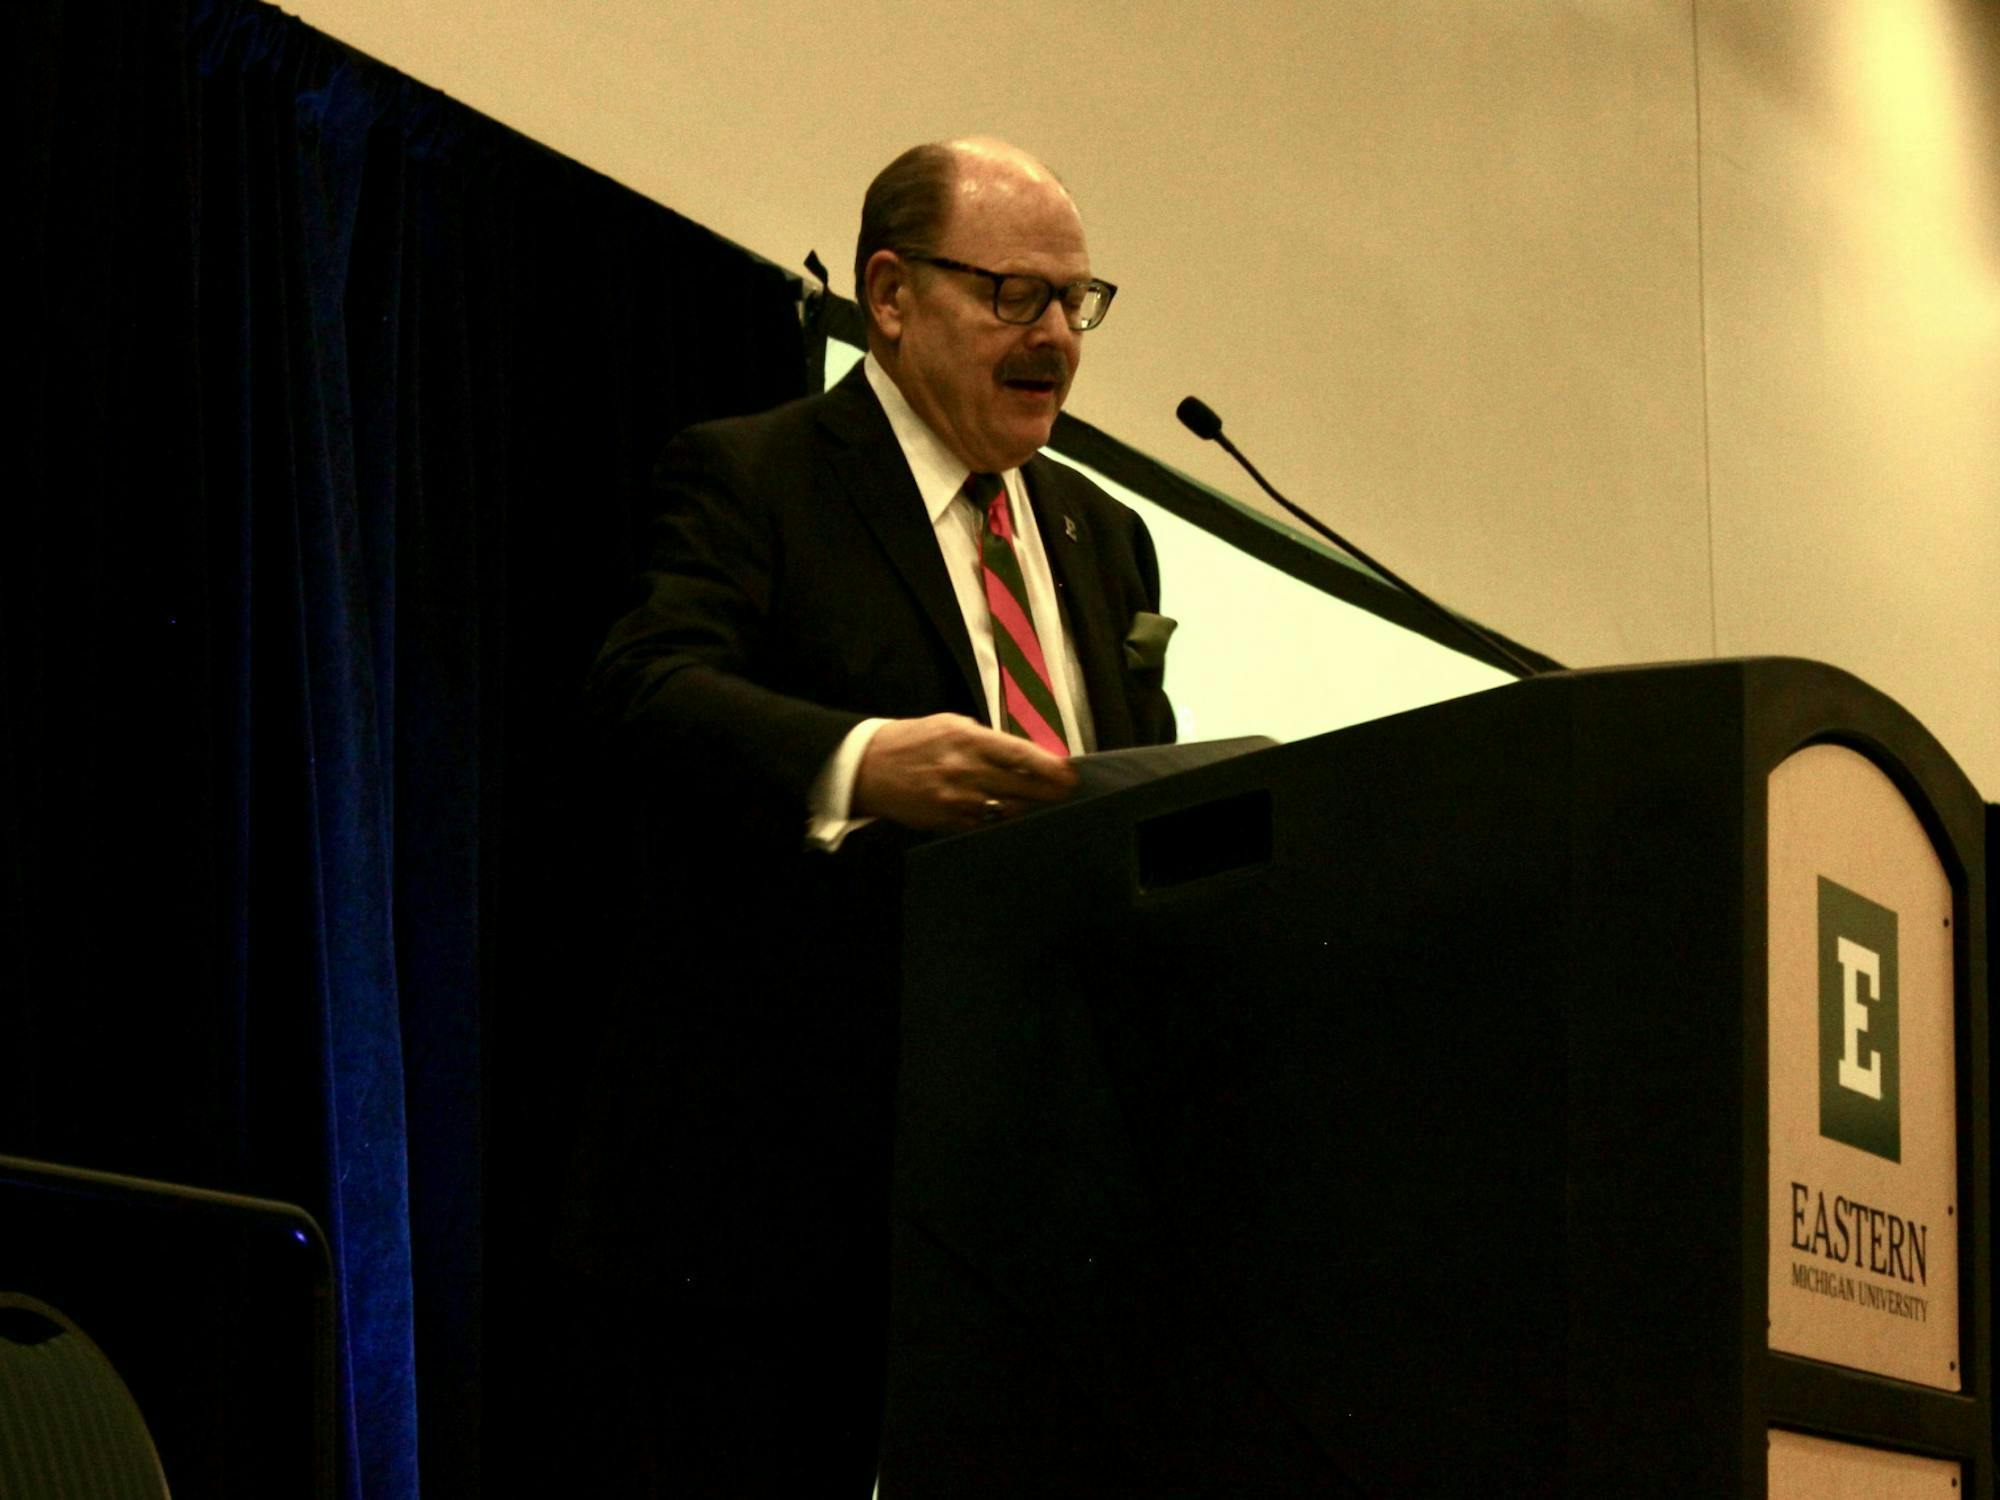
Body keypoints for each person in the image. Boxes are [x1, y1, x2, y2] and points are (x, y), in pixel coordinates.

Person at [565, 137, 1175, 1496]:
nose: (1058, 339)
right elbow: (646, 690)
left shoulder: (1101, 532)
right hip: (789, 1194)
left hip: (1031, 1196)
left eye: (1079, 303)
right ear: (890, 297)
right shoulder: (759, 473)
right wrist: (858, 764)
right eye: (1016, 296)